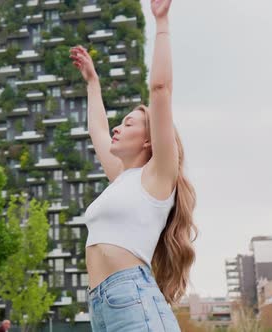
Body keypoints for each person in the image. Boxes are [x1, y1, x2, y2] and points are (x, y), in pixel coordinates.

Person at [69, 0, 196, 331]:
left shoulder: (157, 177)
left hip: (131, 298)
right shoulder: (123, 179)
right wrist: (92, 82)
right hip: (102, 303)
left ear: (149, 140)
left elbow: (161, 90)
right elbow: (97, 129)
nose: (116, 128)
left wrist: (162, 22)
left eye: (127, 123)